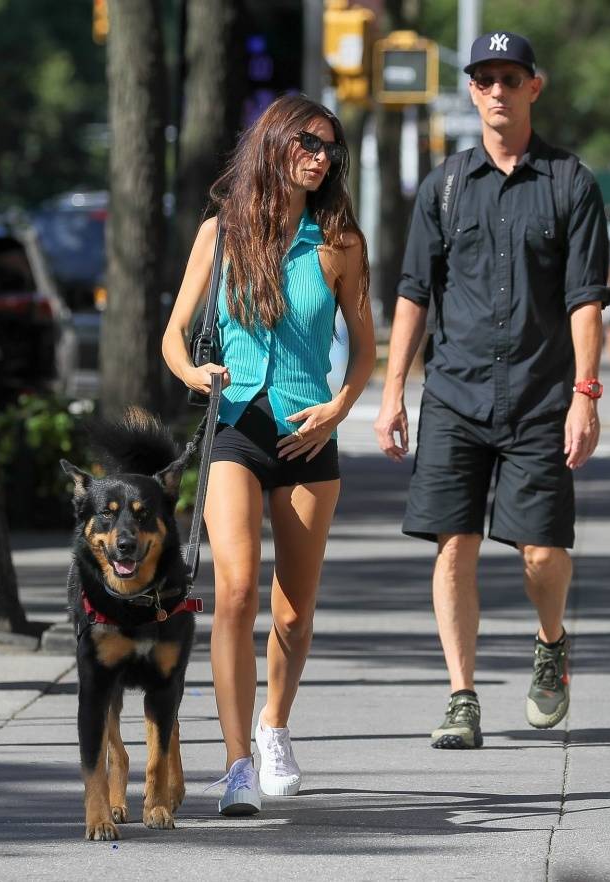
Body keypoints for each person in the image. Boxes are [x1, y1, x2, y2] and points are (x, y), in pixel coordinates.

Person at [374, 31, 610, 749]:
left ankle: (550, 642)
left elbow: (585, 298)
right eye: (486, 79)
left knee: (540, 553)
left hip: (542, 395)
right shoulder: (445, 186)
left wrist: (586, 395)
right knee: (454, 547)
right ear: (473, 91)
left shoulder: (571, 182)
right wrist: (392, 394)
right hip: (455, 394)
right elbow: (414, 293)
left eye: (511, 77)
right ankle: (462, 694)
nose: (498, 90)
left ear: (534, 87)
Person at [162, 95, 375, 814]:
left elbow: (365, 347)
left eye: (330, 149)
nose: (321, 157)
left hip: (309, 433)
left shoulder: (339, 241)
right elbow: (174, 333)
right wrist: (197, 375)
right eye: (309, 142)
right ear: (275, 142)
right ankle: (237, 764)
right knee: (235, 592)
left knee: (292, 612)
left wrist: (340, 408)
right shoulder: (220, 234)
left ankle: (275, 725)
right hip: (237, 427)